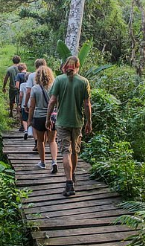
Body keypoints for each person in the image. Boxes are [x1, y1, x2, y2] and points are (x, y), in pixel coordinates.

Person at [46, 56, 91, 196]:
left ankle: (69, 183)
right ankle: (72, 174)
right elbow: (87, 104)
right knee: (75, 151)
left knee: (66, 151)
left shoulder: (59, 80)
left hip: (62, 122)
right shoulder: (84, 82)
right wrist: (89, 121)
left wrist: (48, 118)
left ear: (65, 65)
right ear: (78, 66)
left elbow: (52, 101)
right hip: (77, 122)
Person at [27, 65, 58, 173]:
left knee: (40, 141)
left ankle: (43, 162)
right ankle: (54, 161)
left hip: (39, 117)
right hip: (53, 117)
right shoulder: (54, 87)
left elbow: (32, 106)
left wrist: (29, 120)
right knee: (52, 140)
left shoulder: (35, 88)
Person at [24, 58, 47, 151]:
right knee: (45, 122)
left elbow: (28, 91)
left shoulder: (32, 75)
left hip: (34, 101)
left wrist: (25, 103)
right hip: (46, 103)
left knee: (34, 123)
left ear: (35, 66)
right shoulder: (49, 74)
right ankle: (43, 143)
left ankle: (37, 141)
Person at [15, 63, 28, 128]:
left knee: (20, 108)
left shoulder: (18, 75)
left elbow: (17, 86)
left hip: (21, 93)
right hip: (29, 94)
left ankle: (22, 125)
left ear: (19, 69)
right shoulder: (29, 74)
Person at [18, 72, 31, 139]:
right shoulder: (34, 85)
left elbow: (21, 95)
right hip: (32, 104)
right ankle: (30, 131)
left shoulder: (22, 85)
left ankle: (26, 130)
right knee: (30, 118)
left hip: (24, 104)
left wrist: (19, 103)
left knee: (24, 119)